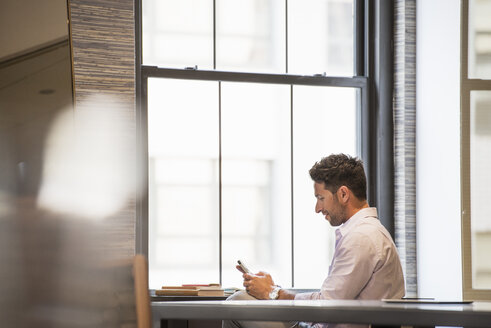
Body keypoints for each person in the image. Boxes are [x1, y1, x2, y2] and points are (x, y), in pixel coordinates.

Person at [223, 154, 405, 328]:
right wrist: (273, 290)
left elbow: (326, 306)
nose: (318, 208)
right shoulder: (367, 233)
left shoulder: (361, 238)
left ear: (343, 194)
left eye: (321, 198)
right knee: (240, 303)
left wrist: (273, 293)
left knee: (236, 304)